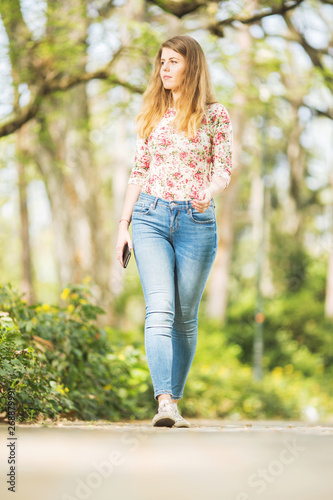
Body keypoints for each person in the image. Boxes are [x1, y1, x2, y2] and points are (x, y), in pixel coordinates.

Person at [116, 35, 232, 428]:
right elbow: (138, 171)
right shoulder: (152, 113)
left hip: (196, 223)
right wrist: (123, 225)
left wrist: (208, 191)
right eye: (161, 62)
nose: (164, 68)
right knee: (160, 308)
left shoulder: (215, 114)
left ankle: (175, 402)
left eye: (172, 62)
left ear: (191, 67)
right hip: (150, 216)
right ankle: (164, 402)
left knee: (185, 317)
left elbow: (223, 167)